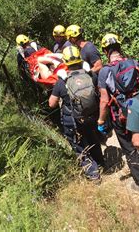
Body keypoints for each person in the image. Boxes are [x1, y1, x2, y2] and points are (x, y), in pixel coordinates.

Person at [97, 34, 139, 193]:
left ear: (105, 51)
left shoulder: (105, 72)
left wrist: (101, 121)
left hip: (121, 114)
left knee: (129, 147)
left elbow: (104, 100)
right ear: (119, 47)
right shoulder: (133, 63)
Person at [49, 45, 105, 182]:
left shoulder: (62, 82)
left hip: (73, 120)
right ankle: (101, 163)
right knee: (93, 139)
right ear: (80, 59)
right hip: (91, 116)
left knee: (79, 145)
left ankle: (93, 174)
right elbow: (99, 92)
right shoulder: (91, 76)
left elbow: (52, 104)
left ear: (65, 63)